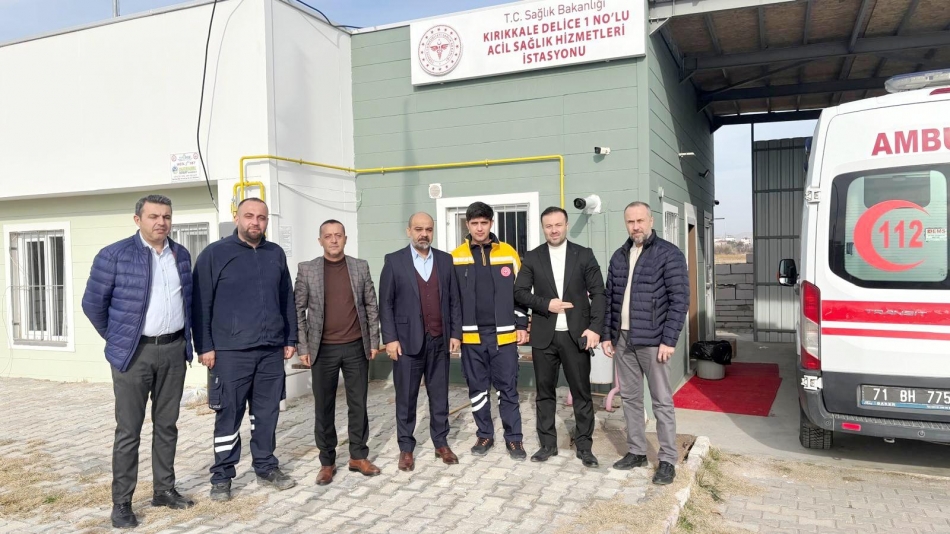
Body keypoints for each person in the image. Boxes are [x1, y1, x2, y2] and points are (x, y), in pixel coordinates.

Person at [82, 194, 195, 529]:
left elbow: (189, 302)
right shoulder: (114, 255)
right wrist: (120, 338)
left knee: (167, 425)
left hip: (173, 350)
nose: (161, 222)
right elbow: (93, 305)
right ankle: (122, 504)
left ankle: (164, 490)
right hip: (134, 354)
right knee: (129, 431)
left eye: (166, 217)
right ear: (138, 220)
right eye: (153, 216)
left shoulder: (181, 255)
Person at [191, 197, 298, 501]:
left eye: (261, 217)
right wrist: (205, 346)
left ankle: (266, 467)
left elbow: (286, 298)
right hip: (230, 352)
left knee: (266, 414)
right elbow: (200, 303)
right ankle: (222, 476)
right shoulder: (214, 254)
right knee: (229, 415)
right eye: (249, 216)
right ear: (237, 218)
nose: (255, 222)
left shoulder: (275, 254)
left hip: (270, 351)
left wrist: (290, 338)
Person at [601, 201, 688, 485]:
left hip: (653, 341)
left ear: (651, 221)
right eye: (631, 222)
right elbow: (610, 299)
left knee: (661, 401)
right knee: (630, 399)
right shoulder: (619, 256)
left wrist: (668, 340)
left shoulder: (669, 254)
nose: (636, 226)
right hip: (623, 339)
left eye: (640, 221)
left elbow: (679, 300)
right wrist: (607, 335)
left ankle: (667, 459)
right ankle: (637, 451)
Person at [513, 207, 605, 467]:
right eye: (548, 226)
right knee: (544, 393)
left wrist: (595, 328)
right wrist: (546, 304)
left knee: (581, 393)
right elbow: (519, 292)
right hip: (545, 336)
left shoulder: (584, 255)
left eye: (558, 225)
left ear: (566, 225)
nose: (554, 230)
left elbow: (599, 293)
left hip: (577, 335)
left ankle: (584, 446)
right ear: (543, 228)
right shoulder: (533, 257)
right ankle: (547, 445)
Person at [294, 219, 381, 485]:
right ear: (320, 240)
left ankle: (358, 456)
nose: (334, 240)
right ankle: (327, 462)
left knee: (358, 404)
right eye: (328, 236)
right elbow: (298, 311)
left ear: (345, 239)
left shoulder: (360, 267)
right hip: (322, 349)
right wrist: (303, 346)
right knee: (324, 407)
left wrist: (374, 341)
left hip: (356, 346)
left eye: (338, 235)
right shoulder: (307, 270)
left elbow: (371, 305)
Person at [379, 212, 462, 471]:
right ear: (409, 231)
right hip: (406, 343)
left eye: (428, 229)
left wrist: (455, 333)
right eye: (418, 229)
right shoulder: (394, 261)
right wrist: (390, 339)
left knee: (439, 395)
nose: (423, 234)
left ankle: (441, 442)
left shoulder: (446, 261)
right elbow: (386, 304)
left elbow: (454, 301)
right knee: (406, 397)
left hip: (439, 340)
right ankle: (406, 447)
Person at [450, 201, 528, 459]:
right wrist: (455, 334)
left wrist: (521, 324)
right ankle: (484, 435)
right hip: (471, 337)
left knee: (508, 389)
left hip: (504, 336)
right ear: (467, 225)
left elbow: (520, 293)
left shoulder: (508, 253)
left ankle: (514, 439)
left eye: (484, 223)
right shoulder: (455, 257)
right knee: (478, 390)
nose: (480, 228)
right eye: (475, 223)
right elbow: (452, 300)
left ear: (491, 223)